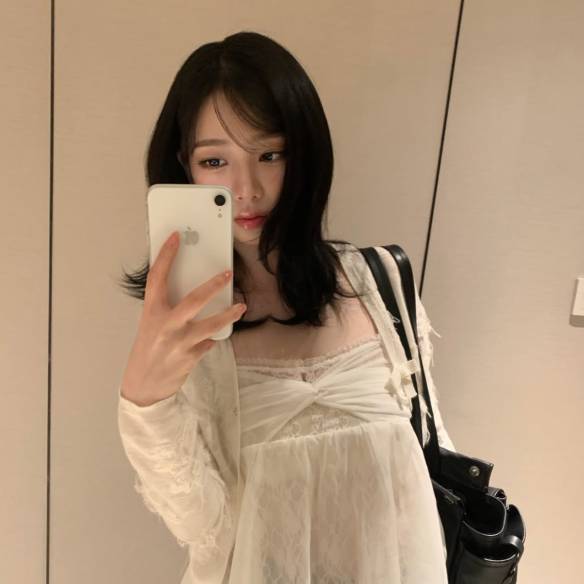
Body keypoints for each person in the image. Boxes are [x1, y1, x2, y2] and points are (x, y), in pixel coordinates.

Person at [117, 31, 456, 584]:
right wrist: (145, 402)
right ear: (185, 167)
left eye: (269, 155)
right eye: (214, 160)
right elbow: (204, 527)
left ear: (303, 155)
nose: (246, 189)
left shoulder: (380, 281)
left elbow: (429, 462)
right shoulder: (187, 325)